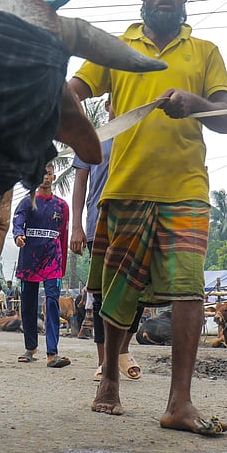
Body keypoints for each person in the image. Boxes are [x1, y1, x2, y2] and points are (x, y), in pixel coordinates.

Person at [69, 0, 227, 436]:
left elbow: (226, 119)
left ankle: (180, 402)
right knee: (117, 291)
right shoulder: (116, 48)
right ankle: (109, 380)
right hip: (125, 187)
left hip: (187, 190)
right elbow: (71, 91)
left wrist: (194, 104)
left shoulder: (205, 52)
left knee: (189, 290)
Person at [69, 97, 144, 382]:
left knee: (138, 290)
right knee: (101, 294)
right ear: (107, 106)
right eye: (116, 101)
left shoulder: (139, 136)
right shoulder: (93, 138)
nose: (121, 105)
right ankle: (104, 362)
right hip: (98, 224)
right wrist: (77, 226)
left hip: (134, 221)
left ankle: (122, 350)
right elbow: (80, 185)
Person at [12, 165, 71, 368]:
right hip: (30, 259)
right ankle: (30, 348)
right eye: (42, 173)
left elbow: (63, 235)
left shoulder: (62, 206)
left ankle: (52, 353)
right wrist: (18, 236)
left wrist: (62, 266)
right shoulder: (27, 202)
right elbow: (18, 222)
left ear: (54, 177)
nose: (46, 177)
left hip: (53, 259)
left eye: (49, 173)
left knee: (52, 302)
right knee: (28, 304)